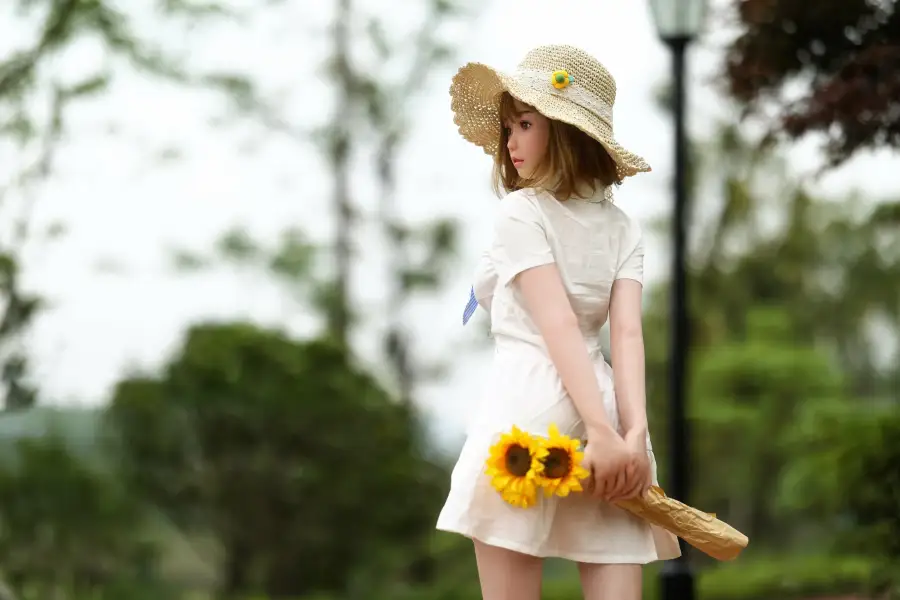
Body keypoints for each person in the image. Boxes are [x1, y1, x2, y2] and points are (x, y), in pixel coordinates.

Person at [435, 44, 681, 600]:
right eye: (509, 128)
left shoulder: (521, 211)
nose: (510, 142)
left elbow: (557, 325)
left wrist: (607, 434)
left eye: (525, 124)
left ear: (567, 132)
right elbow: (627, 336)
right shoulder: (624, 227)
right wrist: (631, 435)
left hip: (526, 413)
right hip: (606, 409)